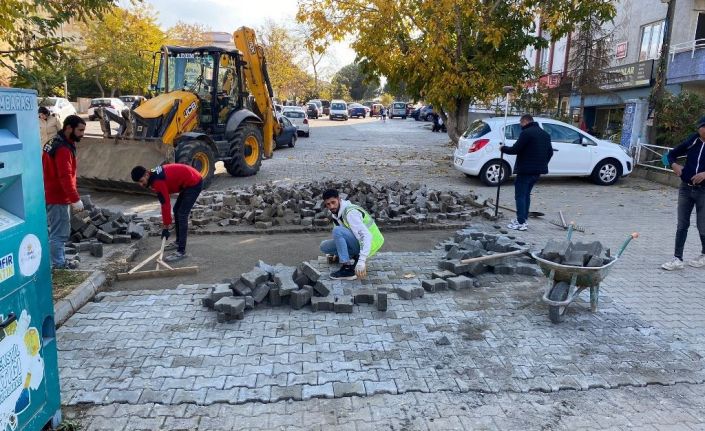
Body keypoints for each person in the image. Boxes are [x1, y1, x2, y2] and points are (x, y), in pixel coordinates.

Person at [131, 164, 203, 262]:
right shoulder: (152, 175)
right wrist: (166, 225)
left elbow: (165, 204)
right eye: (138, 182)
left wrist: (166, 227)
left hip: (194, 182)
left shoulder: (157, 181)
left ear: (147, 174)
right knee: (176, 210)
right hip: (188, 179)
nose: (141, 184)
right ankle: (178, 242)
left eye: (141, 181)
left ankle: (181, 251)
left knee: (182, 214)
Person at [42, 115, 86, 269]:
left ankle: (58, 261)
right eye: (80, 130)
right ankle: (59, 265)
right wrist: (75, 199)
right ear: (69, 128)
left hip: (51, 193)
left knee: (56, 231)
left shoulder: (54, 142)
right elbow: (65, 176)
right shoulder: (62, 149)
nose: (82, 134)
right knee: (59, 233)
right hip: (57, 197)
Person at [661, 116, 705, 270]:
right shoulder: (693, 140)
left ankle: (704, 255)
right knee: (682, 225)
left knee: (702, 225)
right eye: (703, 127)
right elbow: (670, 155)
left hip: (703, 191)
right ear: (699, 128)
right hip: (686, 189)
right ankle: (677, 258)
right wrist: (674, 165)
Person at [500, 114, 553, 231]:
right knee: (526, 195)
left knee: (520, 195)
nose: (520, 127)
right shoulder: (545, 134)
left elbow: (515, 149)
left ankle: (521, 222)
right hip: (537, 171)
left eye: (520, 124)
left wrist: (503, 149)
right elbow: (550, 153)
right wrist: (542, 163)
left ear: (525, 122)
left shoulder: (526, 133)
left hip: (525, 170)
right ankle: (523, 218)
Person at [319, 189, 384, 280]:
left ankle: (348, 269)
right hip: (357, 242)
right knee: (324, 246)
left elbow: (366, 236)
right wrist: (339, 252)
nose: (331, 206)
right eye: (328, 204)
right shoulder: (336, 214)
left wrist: (362, 260)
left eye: (333, 202)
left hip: (371, 242)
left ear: (339, 199)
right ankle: (351, 256)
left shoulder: (350, 213)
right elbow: (342, 237)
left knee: (337, 230)